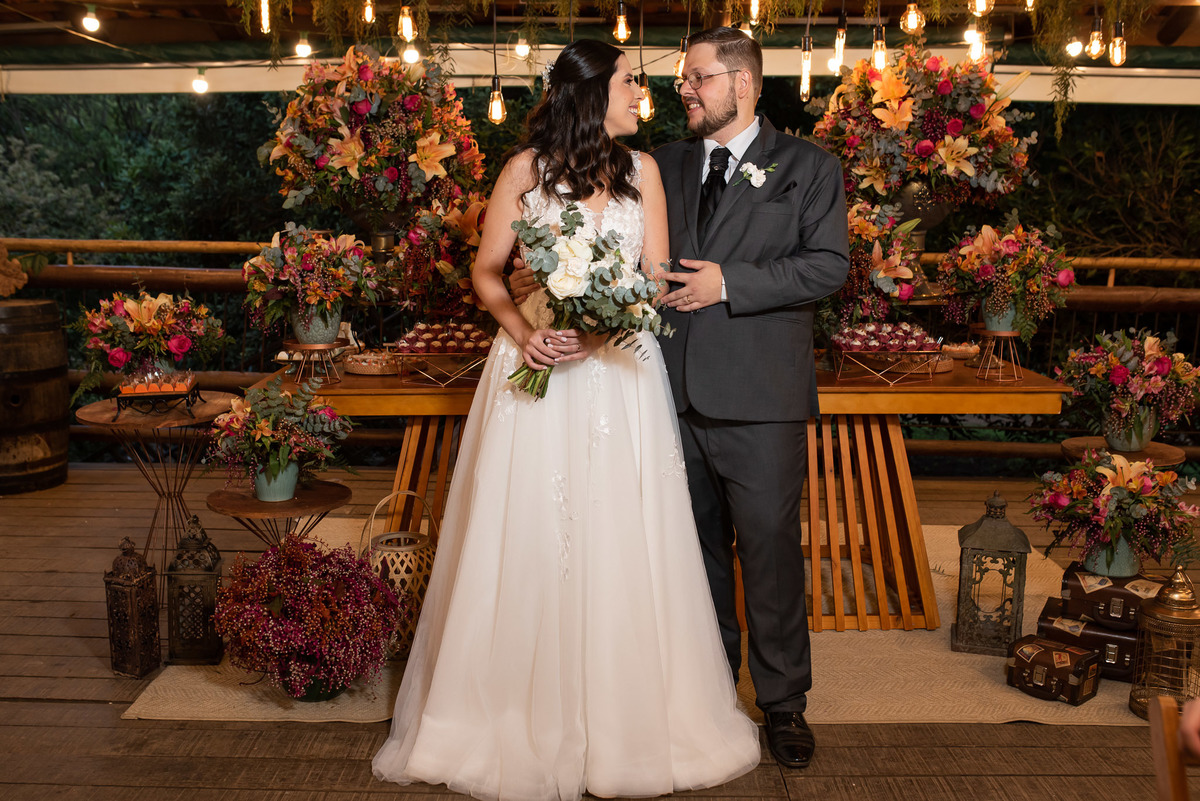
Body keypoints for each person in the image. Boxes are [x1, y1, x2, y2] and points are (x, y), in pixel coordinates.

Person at [372, 39, 760, 801]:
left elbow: (653, 277)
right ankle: (510, 717)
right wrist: (526, 332)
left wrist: (610, 322)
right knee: (528, 534)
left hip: (622, 377)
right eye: (629, 83)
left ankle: (626, 723)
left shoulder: (643, 171)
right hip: (539, 371)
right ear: (590, 93)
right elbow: (487, 271)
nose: (641, 96)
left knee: (622, 534)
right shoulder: (524, 171)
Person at [653, 27, 851, 769]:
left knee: (768, 553)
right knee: (692, 555)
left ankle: (783, 703)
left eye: (698, 78)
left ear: (742, 83)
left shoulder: (808, 166)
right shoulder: (661, 164)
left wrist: (727, 284)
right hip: (668, 394)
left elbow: (827, 265)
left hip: (762, 400)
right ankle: (708, 693)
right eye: (683, 79)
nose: (685, 90)